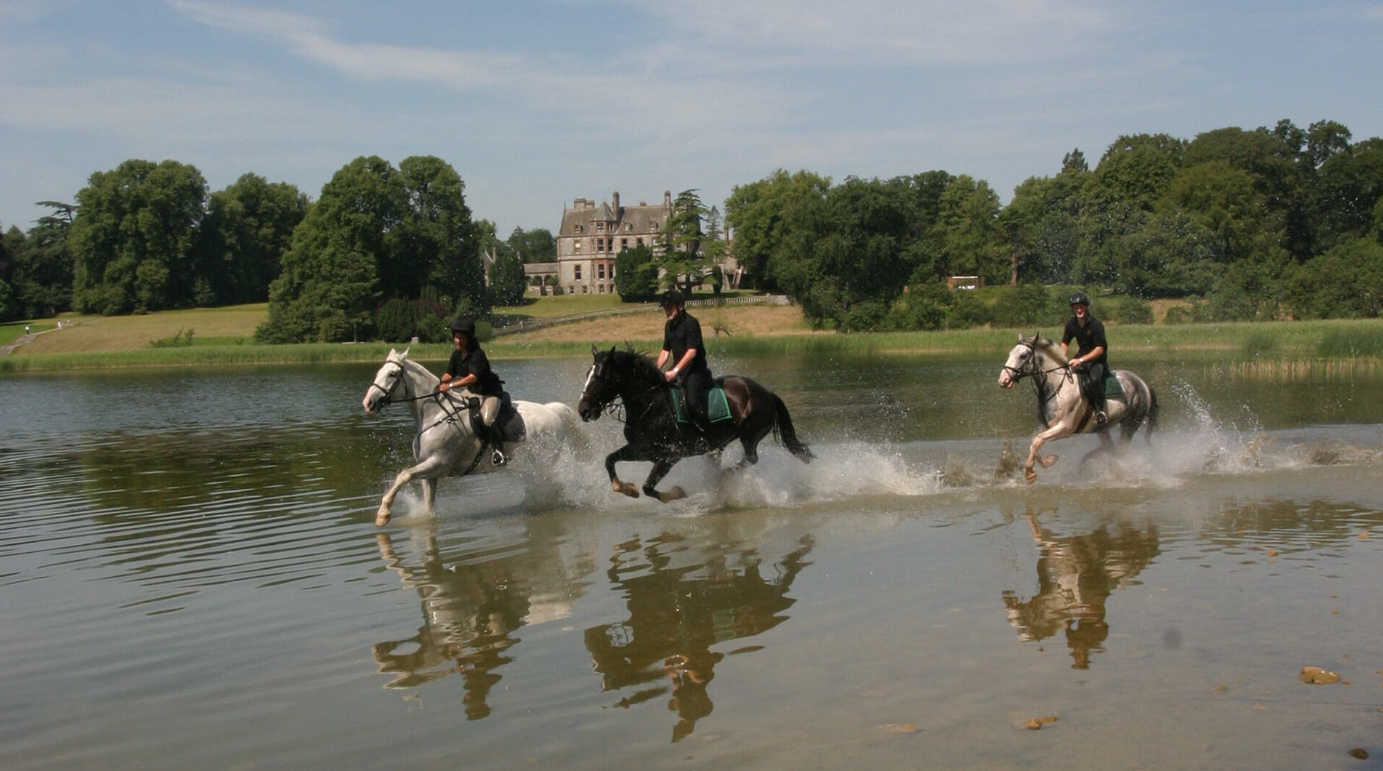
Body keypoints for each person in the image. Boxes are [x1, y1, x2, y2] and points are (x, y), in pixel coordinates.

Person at [439, 316, 507, 465]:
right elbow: (449, 374)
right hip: (472, 392)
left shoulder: (477, 354)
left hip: (490, 393)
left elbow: (472, 378)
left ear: (469, 339)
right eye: (456, 338)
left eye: (461, 338)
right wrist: (437, 382)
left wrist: (450, 386)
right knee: (454, 411)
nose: (458, 341)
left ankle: (498, 451)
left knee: (487, 419)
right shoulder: (456, 355)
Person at [655, 288, 713, 448]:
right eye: (665, 308)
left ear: (680, 306)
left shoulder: (691, 323)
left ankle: (705, 437)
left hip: (695, 371)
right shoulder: (669, 326)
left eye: (670, 307)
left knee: (693, 402)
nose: (667, 310)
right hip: (679, 370)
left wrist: (674, 371)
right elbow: (665, 352)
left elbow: (692, 352)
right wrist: (655, 371)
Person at [1061, 291, 1108, 425]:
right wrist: (1062, 358)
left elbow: (1100, 349)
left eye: (1081, 307)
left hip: (1097, 361)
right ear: (1073, 309)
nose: (1079, 310)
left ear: (1086, 307)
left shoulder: (1095, 324)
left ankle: (1100, 411)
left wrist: (1080, 360)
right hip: (1080, 357)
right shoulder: (1071, 324)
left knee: (1094, 378)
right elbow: (1065, 342)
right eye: (1076, 307)